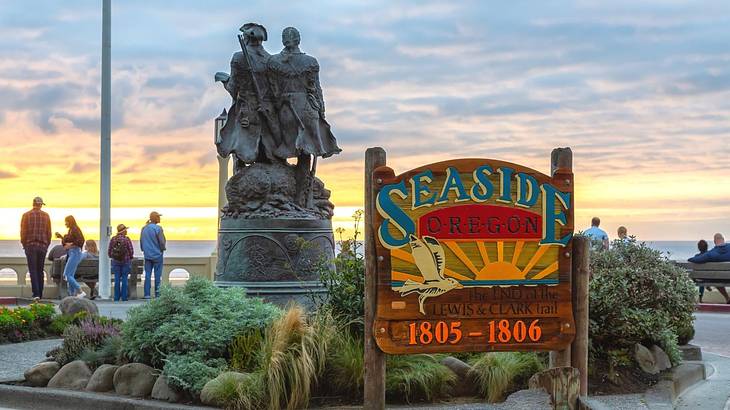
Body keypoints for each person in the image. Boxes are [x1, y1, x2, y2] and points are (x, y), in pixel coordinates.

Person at [268, 26, 342, 206]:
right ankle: (299, 199)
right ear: (299, 40)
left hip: (287, 109)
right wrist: (321, 111)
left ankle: (288, 196)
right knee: (305, 154)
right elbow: (316, 89)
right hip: (308, 109)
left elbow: (273, 91)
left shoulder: (274, 62)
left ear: (283, 40)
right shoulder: (310, 62)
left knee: (283, 149)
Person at [20, 196, 52, 300]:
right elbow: (49, 233)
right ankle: (40, 294)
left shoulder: (26, 215)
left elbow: (23, 232)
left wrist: (24, 245)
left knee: (33, 270)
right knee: (40, 270)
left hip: (30, 245)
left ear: (33, 204)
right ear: (41, 205)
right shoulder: (46, 216)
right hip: (42, 246)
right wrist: (46, 245)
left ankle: (36, 294)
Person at [689, 233, 730, 303]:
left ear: (714, 242)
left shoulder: (711, 253)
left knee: (715, 277)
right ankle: (727, 298)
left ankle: (727, 297)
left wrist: (690, 259)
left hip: (719, 277)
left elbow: (696, 259)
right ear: (723, 239)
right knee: (716, 276)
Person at [56, 215, 86, 298]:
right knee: (71, 275)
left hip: (75, 253)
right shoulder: (72, 230)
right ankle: (72, 295)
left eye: (66, 221)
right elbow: (70, 241)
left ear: (70, 221)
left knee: (67, 275)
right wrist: (62, 237)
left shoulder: (75, 229)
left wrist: (71, 244)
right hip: (73, 253)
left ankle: (80, 291)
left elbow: (81, 240)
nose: (65, 223)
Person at [140, 211, 166, 299]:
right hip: (157, 255)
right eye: (158, 217)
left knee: (147, 275)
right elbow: (162, 242)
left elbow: (141, 242)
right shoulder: (158, 228)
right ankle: (157, 294)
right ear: (155, 218)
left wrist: (144, 250)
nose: (159, 218)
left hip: (147, 255)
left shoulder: (144, 228)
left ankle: (147, 294)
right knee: (157, 275)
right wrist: (162, 249)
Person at [109, 224, 134, 302]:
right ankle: (124, 297)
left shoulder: (113, 239)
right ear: (123, 231)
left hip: (116, 261)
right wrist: (130, 257)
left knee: (117, 279)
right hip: (125, 261)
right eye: (125, 229)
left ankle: (116, 298)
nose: (126, 231)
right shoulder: (127, 239)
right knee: (124, 279)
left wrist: (113, 257)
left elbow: (109, 251)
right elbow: (131, 250)